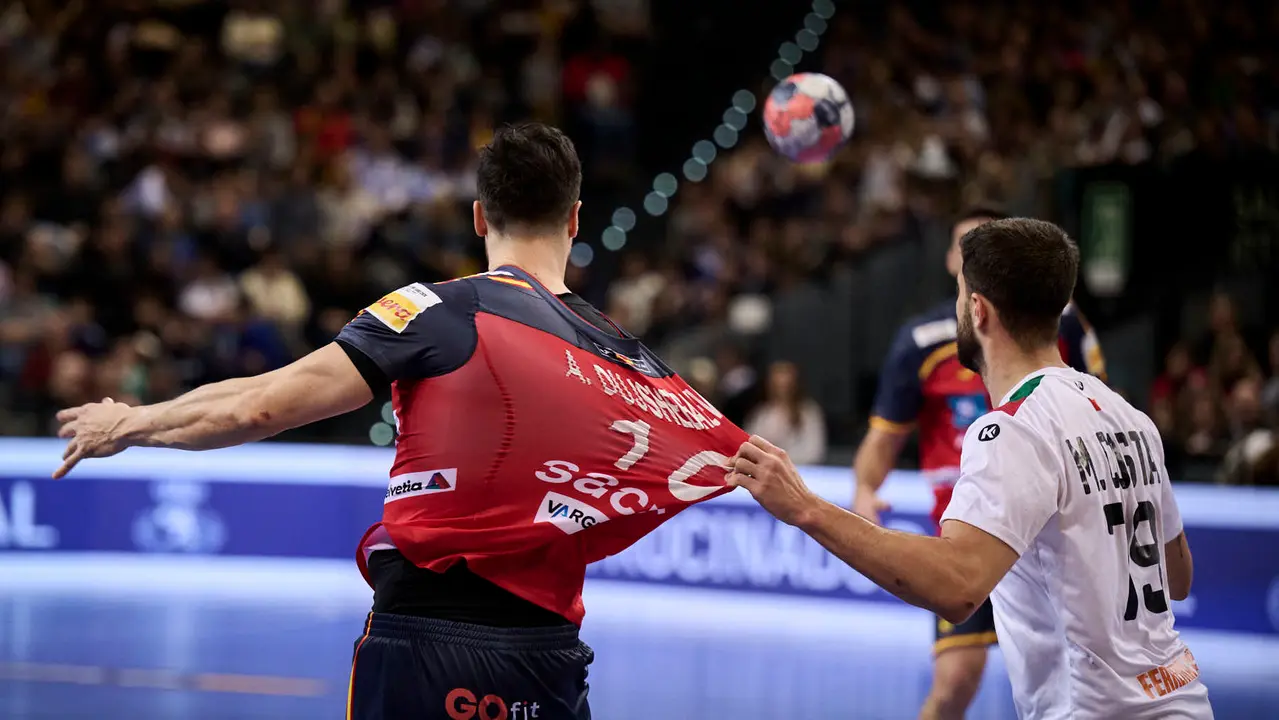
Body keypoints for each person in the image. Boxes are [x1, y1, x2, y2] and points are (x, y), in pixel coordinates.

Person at [53, 122, 749, 720]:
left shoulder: (435, 311)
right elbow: (736, 463)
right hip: (545, 658)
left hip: (424, 643)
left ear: (478, 216)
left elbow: (261, 403)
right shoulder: (623, 355)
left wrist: (133, 421)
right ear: (574, 219)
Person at [732, 218, 1211, 719]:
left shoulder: (1008, 429)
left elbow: (957, 588)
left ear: (977, 310)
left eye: (962, 295)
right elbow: (1177, 577)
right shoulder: (1130, 418)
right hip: (1182, 702)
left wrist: (806, 509)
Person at [851, 205, 1106, 720]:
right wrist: (863, 490)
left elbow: (1102, 407)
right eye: (968, 247)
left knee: (1075, 686)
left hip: (1054, 534)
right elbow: (881, 441)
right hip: (971, 531)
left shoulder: (1062, 324)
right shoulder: (921, 342)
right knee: (954, 683)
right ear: (952, 261)